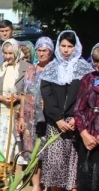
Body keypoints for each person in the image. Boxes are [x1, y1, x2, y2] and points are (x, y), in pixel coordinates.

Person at [40, 30, 92, 191]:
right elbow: (47, 97)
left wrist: (76, 118)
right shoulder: (51, 69)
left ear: (76, 47)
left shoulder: (84, 69)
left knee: (74, 170)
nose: (66, 50)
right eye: (63, 46)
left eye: (70, 46)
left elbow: (85, 96)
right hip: (55, 125)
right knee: (56, 171)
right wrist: (58, 119)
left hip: (76, 125)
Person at [0, 38, 30, 163]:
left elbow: (31, 92)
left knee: (15, 148)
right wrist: (0, 97)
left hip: (16, 114)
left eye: (10, 53)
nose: (7, 56)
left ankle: (14, 176)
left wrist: (19, 97)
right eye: (5, 53)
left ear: (16, 52)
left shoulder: (27, 68)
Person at [18, 37, 54, 191]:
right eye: (39, 50)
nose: (41, 53)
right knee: (32, 152)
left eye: (44, 50)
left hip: (47, 116)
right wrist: (21, 117)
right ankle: (36, 185)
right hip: (29, 117)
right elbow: (24, 95)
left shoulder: (54, 69)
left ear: (50, 52)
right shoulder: (31, 69)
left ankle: (47, 185)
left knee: (47, 152)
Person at [74, 43, 99, 191]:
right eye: (96, 61)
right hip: (88, 135)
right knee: (86, 181)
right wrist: (84, 134)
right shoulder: (87, 79)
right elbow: (78, 109)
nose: (97, 65)